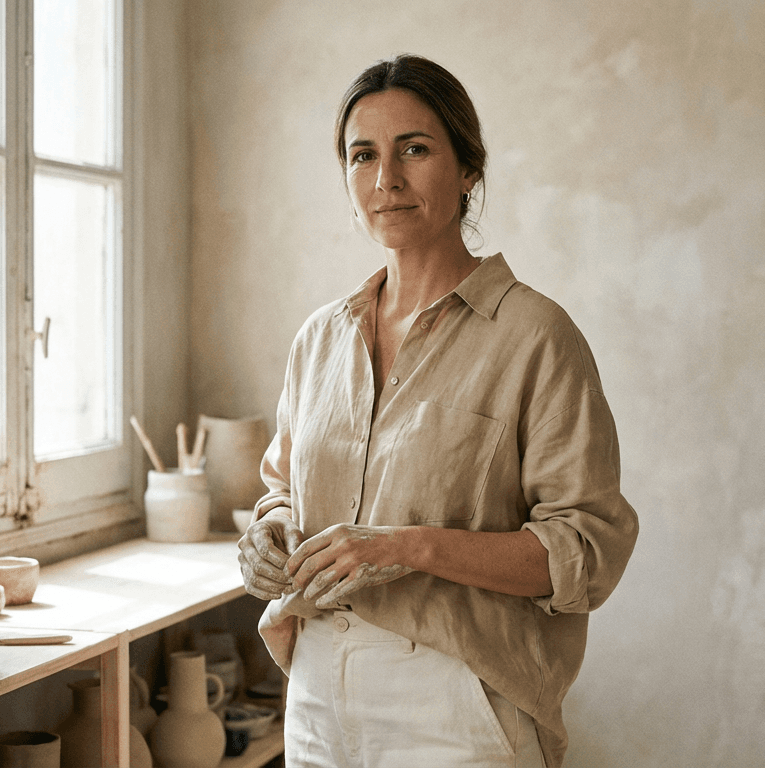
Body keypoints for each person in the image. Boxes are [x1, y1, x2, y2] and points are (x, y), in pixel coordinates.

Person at [237, 53, 639, 768]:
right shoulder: (319, 340)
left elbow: (589, 552)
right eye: (364, 156)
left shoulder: (536, 337)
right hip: (315, 689)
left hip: (456, 697)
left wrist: (409, 546)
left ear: (468, 170)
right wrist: (266, 536)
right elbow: (281, 492)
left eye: (414, 149)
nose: (386, 179)